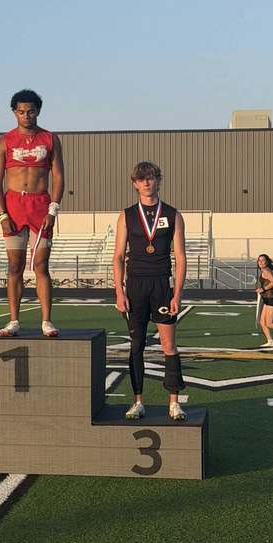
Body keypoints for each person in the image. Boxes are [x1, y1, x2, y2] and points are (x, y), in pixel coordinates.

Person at [113, 161, 187, 421]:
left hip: (161, 284)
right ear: (134, 183)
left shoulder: (173, 214)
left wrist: (177, 294)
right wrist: (119, 292)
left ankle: (174, 402)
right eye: (141, 179)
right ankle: (138, 402)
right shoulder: (126, 216)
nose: (146, 182)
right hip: (135, 285)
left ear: (159, 180)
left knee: (169, 345)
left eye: (151, 177)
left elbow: (180, 256)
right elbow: (119, 256)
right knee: (136, 345)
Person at [0, 89, 64, 337]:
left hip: (41, 205)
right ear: (14, 112)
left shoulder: (50, 139)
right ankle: (13, 320)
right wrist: (2, 215)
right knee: (15, 265)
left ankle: (46, 320)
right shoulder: (4, 141)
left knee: (41, 265)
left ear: (38, 111)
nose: (26, 116)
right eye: (21, 111)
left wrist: (53, 209)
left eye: (31, 111)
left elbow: (58, 176)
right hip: (13, 206)